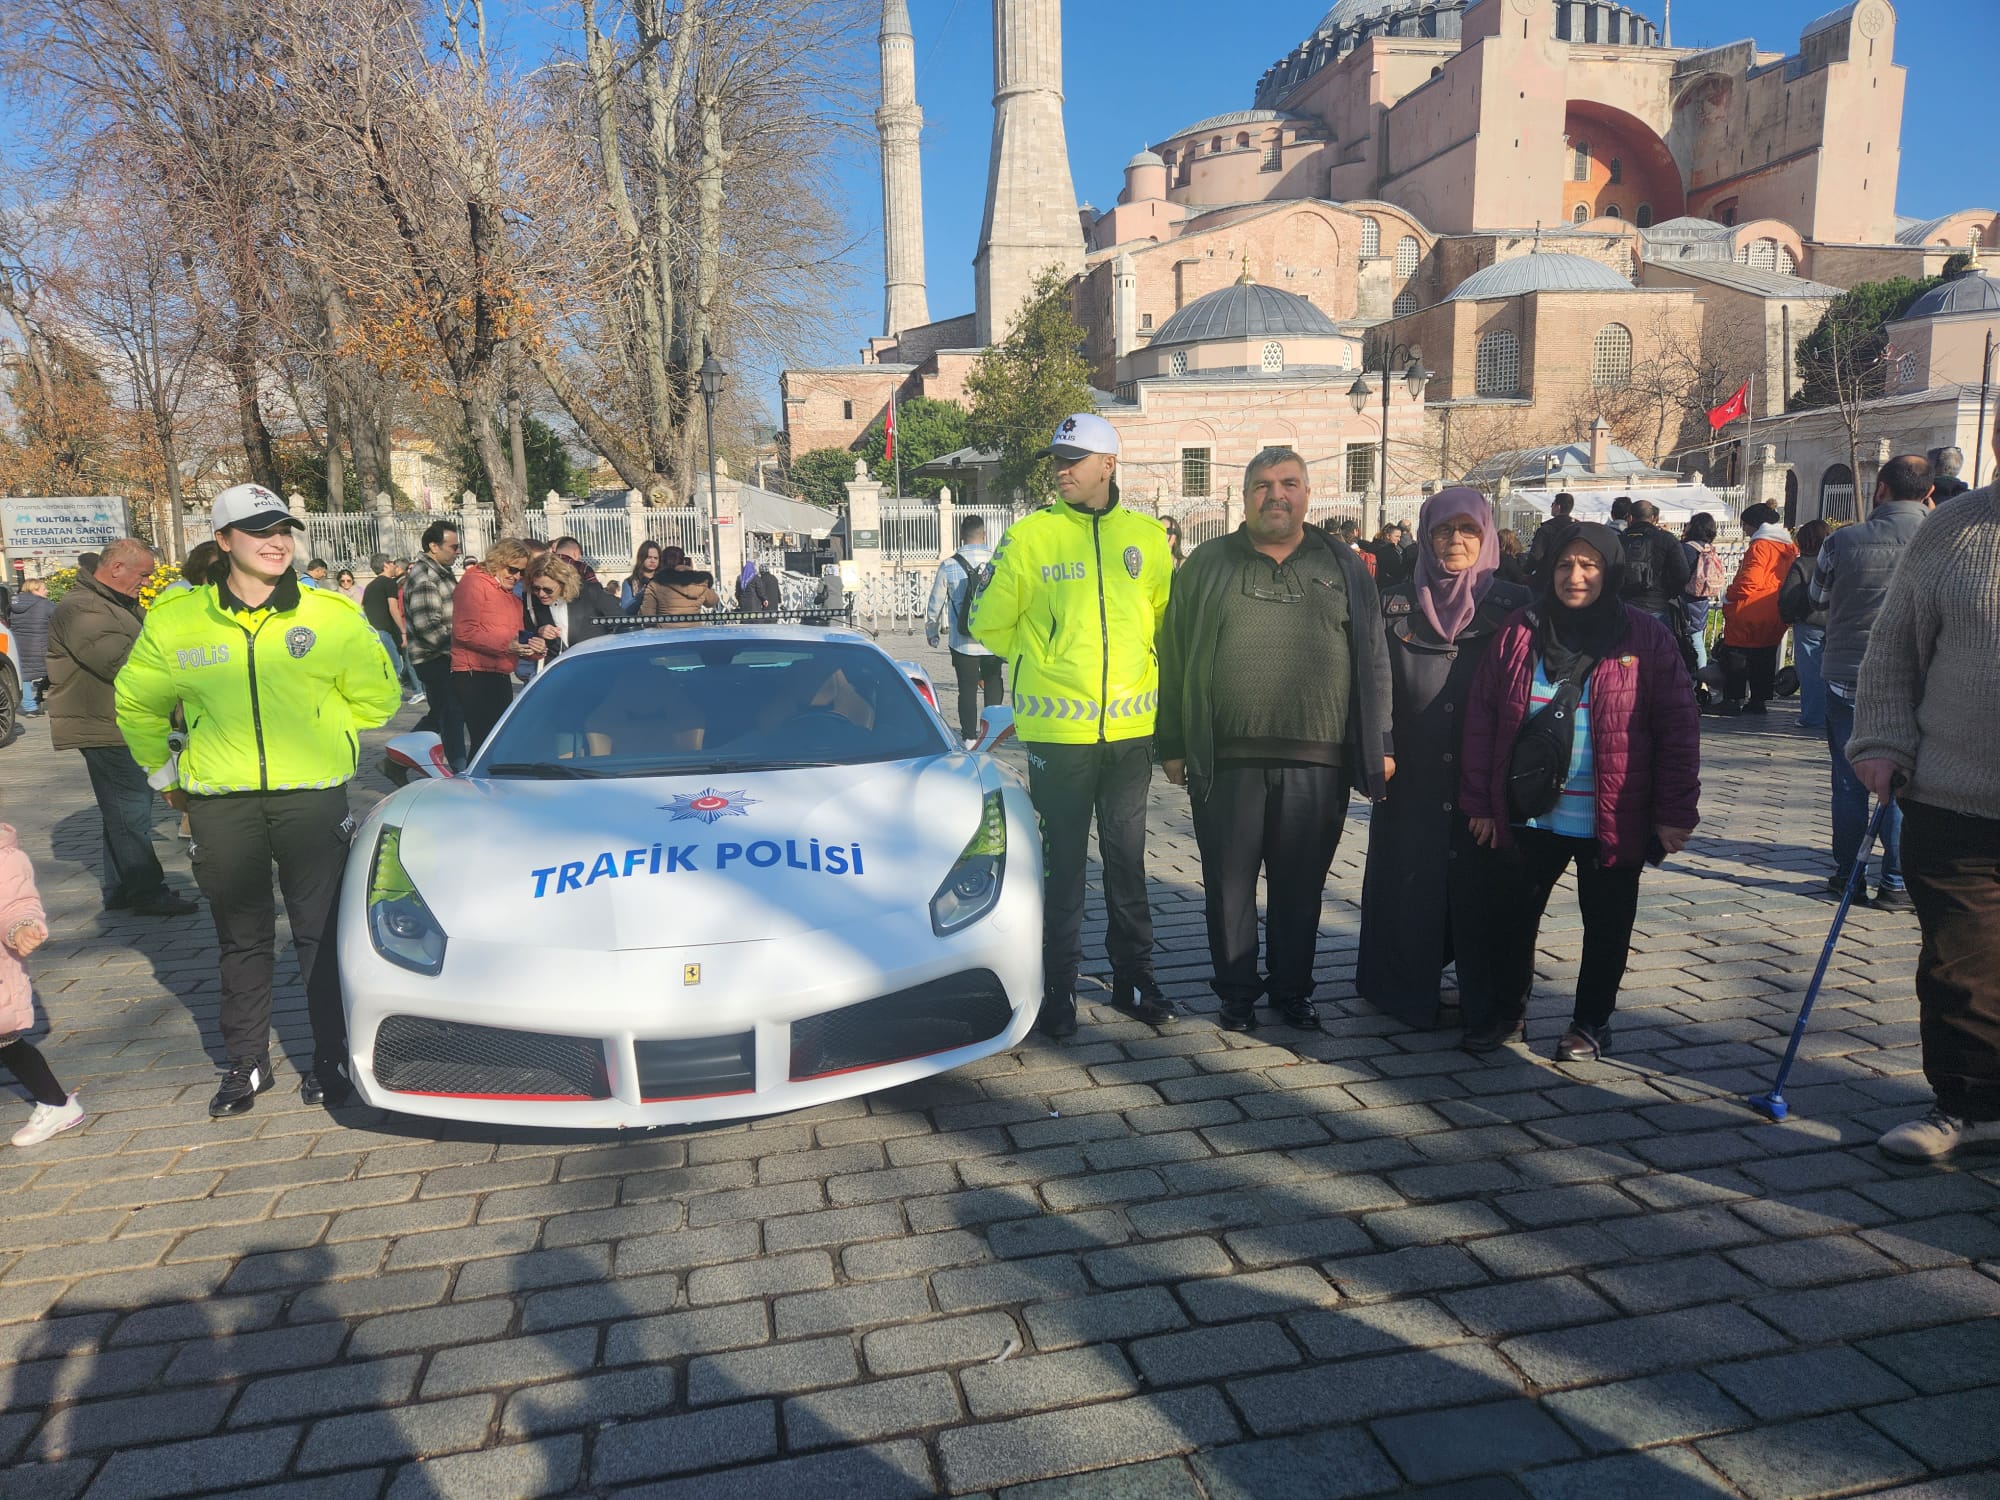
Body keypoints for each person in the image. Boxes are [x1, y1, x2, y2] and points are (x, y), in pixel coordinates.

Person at [116, 482, 401, 1115]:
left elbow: (379, 698)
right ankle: (246, 1065)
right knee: (239, 939)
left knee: (319, 935)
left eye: (283, 529)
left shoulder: (329, 614)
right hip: (221, 803)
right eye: (258, 530)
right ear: (223, 542)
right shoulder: (176, 620)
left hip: (312, 798)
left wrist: (324, 726)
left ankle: (329, 1060)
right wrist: (168, 780)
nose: (276, 542)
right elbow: (136, 704)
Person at [1157, 447, 1391, 1032]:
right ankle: (1236, 993)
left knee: (1300, 887)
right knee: (1229, 888)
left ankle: (1293, 990)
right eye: (1262, 485)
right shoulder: (1208, 563)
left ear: (1308, 494)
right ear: (1244, 496)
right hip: (1225, 760)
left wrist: (1380, 741)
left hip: (1318, 762)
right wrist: (1173, 743)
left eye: (1288, 483)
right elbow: (1173, 655)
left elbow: (1374, 658)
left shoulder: (1343, 565)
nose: (1275, 495)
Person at [1459, 523, 1701, 1060]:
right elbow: (1482, 720)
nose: (1576, 576)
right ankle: (1507, 1012)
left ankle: (1591, 1023)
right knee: (1513, 918)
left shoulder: (1646, 636)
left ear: (1610, 571)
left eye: (1590, 565)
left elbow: (1678, 728)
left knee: (1608, 924)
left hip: (1612, 813)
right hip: (1530, 812)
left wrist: (1675, 812)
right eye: (1567, 564)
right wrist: (1479, 802)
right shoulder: (1521, 630)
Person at [971, 411, 1172, 1037]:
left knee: (1127, 861)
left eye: (1073, 459)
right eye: (1056, 459)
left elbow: (1160, 616)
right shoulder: (1032, 537)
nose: (1060, 470)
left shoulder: (1147, 537)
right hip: (1059, 735)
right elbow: (986, 622)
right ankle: (1055, 989)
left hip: (1131, 732)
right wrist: (1042, 652)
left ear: (1108, 464)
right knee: (1062, 868)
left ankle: (1133, 977)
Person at [1850, 456, 2000, 1161]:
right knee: (1960, 968)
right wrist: (1881, 738)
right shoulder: (1953, 531)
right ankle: (1971, 1105)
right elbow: (1892, 651)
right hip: (1952, 798)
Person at [1357, 488, 1532, 1037]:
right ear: (1426, 536)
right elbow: (1373, 684)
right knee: (1408, 878)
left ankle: (1494, 1000)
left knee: (1488, 884)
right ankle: (1403, 989)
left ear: (1485, 537)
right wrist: (1379, 748)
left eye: (1468, 531)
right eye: (1442, 531)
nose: (1455, 541)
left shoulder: (1515, 605)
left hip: (1488, 775)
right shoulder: (1392, 605)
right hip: (1413, 772)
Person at [44, 538, 198, 918]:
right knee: (131, 814)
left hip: (116, 723)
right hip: (107, 726)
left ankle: (120, 888)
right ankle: (146, 890)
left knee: (122, 811)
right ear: (116, 569)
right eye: (143, 574)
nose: (147, 582)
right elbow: (122, 664)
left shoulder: (111, 604)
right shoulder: (82, 608)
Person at [1811, 453, 1934, 909]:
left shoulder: (1843, 541)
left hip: (1848, 675)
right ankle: (1897, 882)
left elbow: (1817, 597)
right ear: (1930, 493)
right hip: (1916, 680)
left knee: (1848, 781)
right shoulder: (1949, 541)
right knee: (1901, 781)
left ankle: (1849, 875)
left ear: (1880, 489)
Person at [1, 823, 84, 1146]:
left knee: (7, 1043)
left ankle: (57, 1103)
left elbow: (16, 905)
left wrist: (21, 928)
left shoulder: (6, 857)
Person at [451, 536, 539, 754]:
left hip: (499, 672)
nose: (517, 576)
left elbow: (516, 634)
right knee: (484, 742)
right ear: (498, 562)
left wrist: (535, 648)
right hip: (474, 673)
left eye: (521, 572)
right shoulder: (473, 583)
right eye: (512, 569)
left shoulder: (510, 595)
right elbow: (464, 631)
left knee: (496, 741)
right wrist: (508, 646)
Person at [926, 515, 1002, 744]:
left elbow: (935, 601)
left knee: (967, 688)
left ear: (961, 536)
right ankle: (993, 733)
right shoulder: (997, 562)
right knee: (993, 681)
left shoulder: (949, 565)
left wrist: (932, 631)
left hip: (962, 640)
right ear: (984, 535)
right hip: (992, 638)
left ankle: (969, 736)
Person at [1716, 503, 1796, 715]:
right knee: (1765, 656)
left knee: (1737, 655)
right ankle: (1759, 700)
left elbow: (1751, 580)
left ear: (1754, 525)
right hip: (1775, 610)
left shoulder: (1760, 546)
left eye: (1745, 525)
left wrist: (1729, 595)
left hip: (1750, 609)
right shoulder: (1788, 547)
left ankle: (1733, 699)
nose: (1744, 530)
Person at [404, 522, 466, 769]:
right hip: (434, 658)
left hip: (445, 655)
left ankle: (398, 757)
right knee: (451, 715)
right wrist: (458, 651)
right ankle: (460, 770)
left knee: (440, 714)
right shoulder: (425, 577)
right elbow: (428, 627)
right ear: (433, 546)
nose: (457, 552)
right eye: (453, 546)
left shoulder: (441, 571)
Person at [1778, 519, 1832, 732]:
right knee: (1832, 673)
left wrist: (1787, 615)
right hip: (1836, 622)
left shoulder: (1802, 564)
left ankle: (1812, 716)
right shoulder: (1835, 561)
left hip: (1809, 622)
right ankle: (1832, 714)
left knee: (1810, 672)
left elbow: (1789, 595)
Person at [1617, 499, 1691, 633]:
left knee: (1624, 651)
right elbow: (1683, 574)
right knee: (1657, 651)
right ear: (1653, 518)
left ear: (1630, 517)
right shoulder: (1667, 539)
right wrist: (1668, 593)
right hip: (1657, 607)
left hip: (1624, 608)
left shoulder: (1618, 541)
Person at [361, 555, 421, 700]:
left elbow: (363, 608)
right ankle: (389, 695)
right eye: (392, 563)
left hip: (375, 631)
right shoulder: (389, 583)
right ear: (386, 566)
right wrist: (403, 631)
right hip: (385, 631)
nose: (395, 566)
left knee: (388, 663)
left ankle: (414, 690)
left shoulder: (370, 586)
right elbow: (393, 608)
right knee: (395, 665)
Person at [1679, 513, 1725, 671]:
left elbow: (1679, 573)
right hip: (1702, 599)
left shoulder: (1686, 549)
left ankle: (1691, 674)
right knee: (1697, 638)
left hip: (1685, 599)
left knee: (1685, 638)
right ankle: (1702, 677)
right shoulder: (1708, 548)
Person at [551, 538, 627, 627]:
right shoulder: (582, 568)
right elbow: (597, 592)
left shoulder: (544, 567)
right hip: (578, 617)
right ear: (576, 552)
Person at [8, 576, 51, 716]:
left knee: (25, 676)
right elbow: (61, 617)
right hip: (41, 646)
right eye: (44, 589)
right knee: (55, 670)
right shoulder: (45, 604)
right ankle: (41, 697)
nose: (47, 591)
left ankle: (29, 706)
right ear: (35, 590)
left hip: (20, 645)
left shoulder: (14, 605)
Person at [640, 554, 721, 617]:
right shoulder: (699, 583)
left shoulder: (655, 584)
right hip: (695, 633)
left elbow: (647, 614)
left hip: (665, 633)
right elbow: (712, 601)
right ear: (684, 562)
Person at [1526, 492, 1576, 585]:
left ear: (1558, 507)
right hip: (1571, 576)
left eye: (1553, 504)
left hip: (1547, 578)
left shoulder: (1547, 529)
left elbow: (1536, 555)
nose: (1551, 507)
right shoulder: (1577, 528)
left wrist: (1525, 572)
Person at [621, 542, 662, 614]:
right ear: (642, 558)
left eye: (656, 558)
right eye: (649, 557)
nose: (652, 561)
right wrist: (641, 594)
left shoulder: (663, 580)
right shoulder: (629, 582)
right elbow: (626, 610)